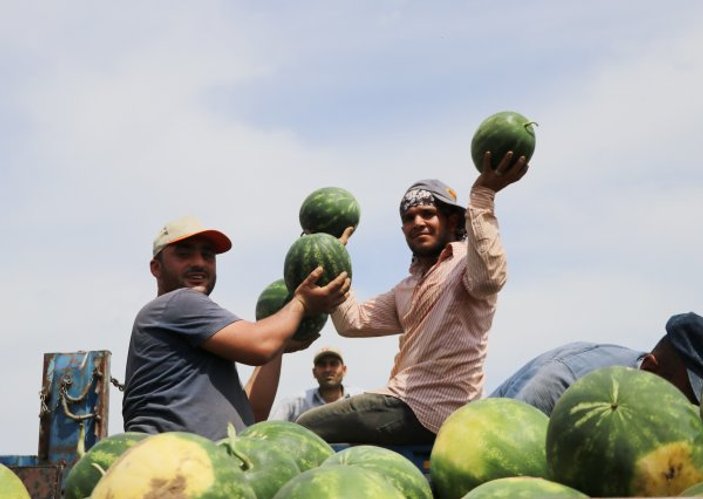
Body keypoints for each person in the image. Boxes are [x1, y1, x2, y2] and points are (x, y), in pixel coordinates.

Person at [297, 151, 529, 444]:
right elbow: (351, 323)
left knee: (305, 425)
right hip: (404, 400)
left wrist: (482, 196)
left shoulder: (466, 265)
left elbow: (489, 279)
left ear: (451, 219)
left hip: (438, 405)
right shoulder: (406, 288)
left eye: (428, 214)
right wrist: (333, 256)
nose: (417, 222)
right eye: (409, 218)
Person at [122, 216, 350, 441]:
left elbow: (254, 412)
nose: (199, 262)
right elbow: (259, 345)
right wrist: (301, 303)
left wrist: (278, 346)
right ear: (156, 267)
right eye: (184, 254)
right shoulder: (178, 303)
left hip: (205, 462)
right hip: (172, 463)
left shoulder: (197, 329)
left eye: (207, 255)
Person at [489, 312, 703, 415]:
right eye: (685, 399)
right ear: (649, 368)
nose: (684, 412)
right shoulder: (561, 382)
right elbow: (502, 442)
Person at [268, 346, 363, 422]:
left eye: (333, 364)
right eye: (322, 364)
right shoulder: (294, 404)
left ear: (344, 370)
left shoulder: (360, 399)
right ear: (314, 372)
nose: (328, 369)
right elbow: (271, 430)